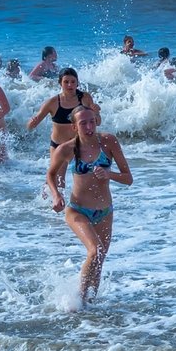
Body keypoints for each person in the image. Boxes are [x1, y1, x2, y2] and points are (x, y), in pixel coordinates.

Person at [44, 105, 134, 306]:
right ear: (75, 127)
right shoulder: (66, 149)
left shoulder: (108, 142)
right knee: (95, 251)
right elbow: (50, 174)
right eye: (83, 123)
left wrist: (109, 174)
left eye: (92, 121)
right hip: (77, 210)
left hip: (104, 212)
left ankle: (90, 304)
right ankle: (78, 301)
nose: (89, 126)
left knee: (99, 261)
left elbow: (128, 179)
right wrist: (56, 195)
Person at [24, 68, 96, 149]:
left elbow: (98, 122)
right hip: (57, 146)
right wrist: (31, 123)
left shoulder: (85, 98)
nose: (70, 85)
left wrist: (96, 112)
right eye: (66, 82)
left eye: (73, 81)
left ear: (77, 83)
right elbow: (30, 126)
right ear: (60, 83)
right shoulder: (52, 103)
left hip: (80, 146)